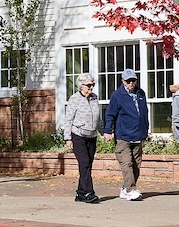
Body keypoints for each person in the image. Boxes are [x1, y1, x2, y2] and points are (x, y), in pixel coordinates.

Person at [103, 68, 149, 201]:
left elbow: (144, 113)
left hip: (138, 135)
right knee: (126, 163)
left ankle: (125, 188)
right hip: (123, 136)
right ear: (123, 81)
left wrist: (145, 131)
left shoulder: (141, 93)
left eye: (133, 80)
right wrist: (107, 131)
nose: (131, 83)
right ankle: (131, 189)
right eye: (128, 81)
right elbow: (110, 114)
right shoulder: (117, 95)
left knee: (136, 164)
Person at [64, 73, 101, 203]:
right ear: (81, 86)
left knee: (88, 165)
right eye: (89, 85)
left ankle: (80, 193)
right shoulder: (74, 99)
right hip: (78, 135)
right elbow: (68, 119)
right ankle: (89, 193)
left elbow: (97, 117)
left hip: (92, 135)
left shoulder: (94, 98)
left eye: (93, 85)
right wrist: (68, 138)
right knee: (84, 163)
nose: (91, 88)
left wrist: (104, 131)